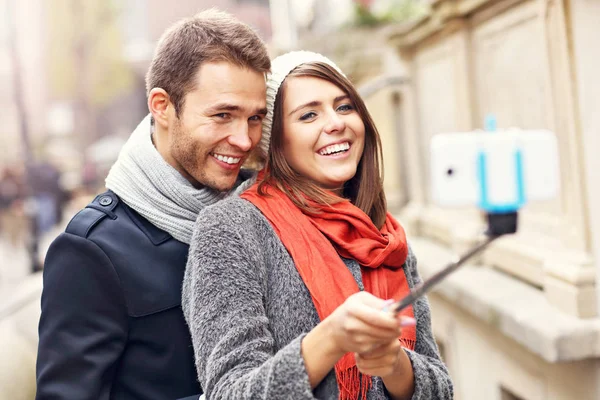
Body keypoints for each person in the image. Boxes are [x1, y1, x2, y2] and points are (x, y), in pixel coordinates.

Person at [182, 51, 453, 399]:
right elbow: (230, 392)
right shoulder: (232, 229)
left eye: (344, 107)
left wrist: (394, 364)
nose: (336, 123)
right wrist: (330, 339)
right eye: (308, 114)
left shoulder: (383, 234)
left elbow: (441, 388)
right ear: (275, 141)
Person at [35, 9, 270, 400]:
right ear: (162, 106)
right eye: (222, 115)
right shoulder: (93, 250)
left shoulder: (263, 205)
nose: (244, 140)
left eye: (254, 118)